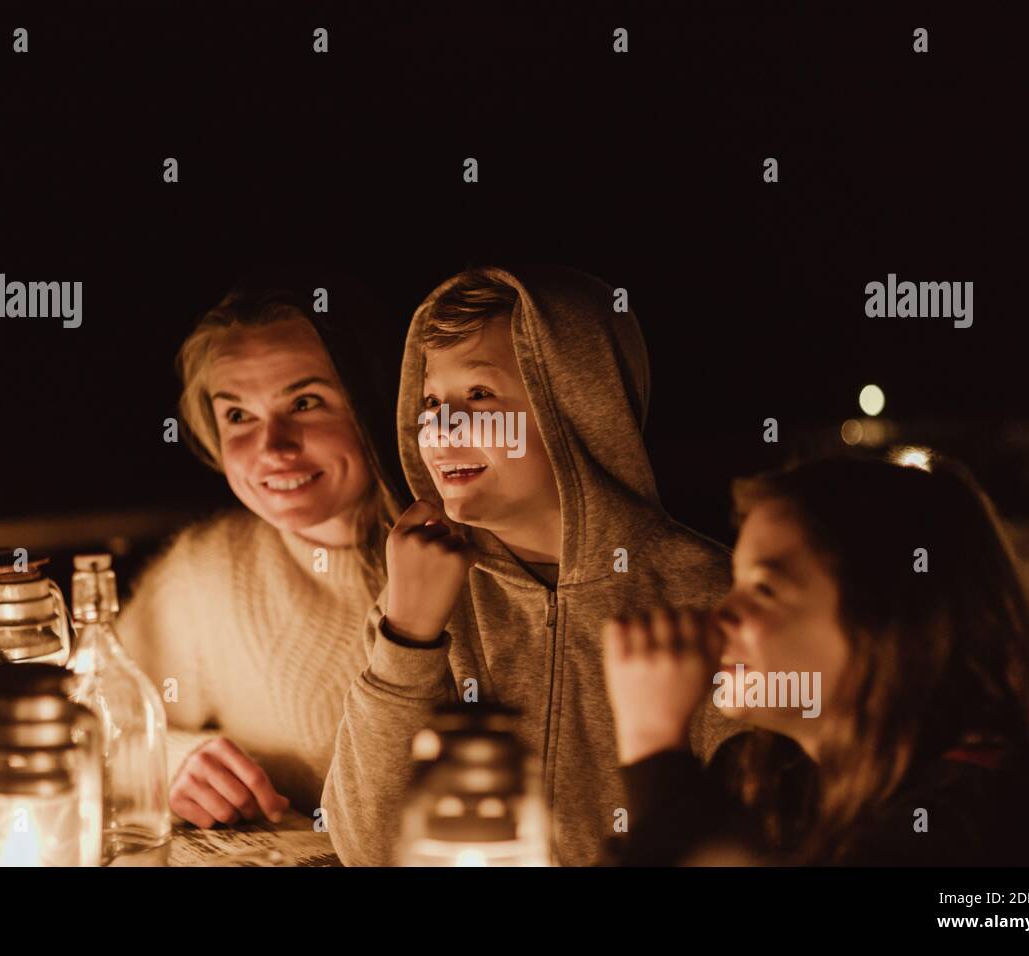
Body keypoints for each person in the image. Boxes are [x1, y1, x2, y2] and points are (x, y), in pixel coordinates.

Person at [321, 265, 738, 865]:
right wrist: (406, 640)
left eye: (481, 396)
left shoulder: (711, 598)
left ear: (574, 407)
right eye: (431, 401)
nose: (440, 427)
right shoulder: (425, 596)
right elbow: (367, 848)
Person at [602, 456, 1029, 866]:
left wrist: (654, 750)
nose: (722, 615)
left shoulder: (987, 811)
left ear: (890, 618)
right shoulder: (778, 783)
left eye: (764, 588)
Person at [116, 272, 407, 827]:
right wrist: (171, 762)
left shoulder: (480, 558)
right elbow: (98, 727)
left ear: (375, 401)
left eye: (305, 401)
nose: (273, 447)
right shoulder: (208, 569)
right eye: (238, 415)